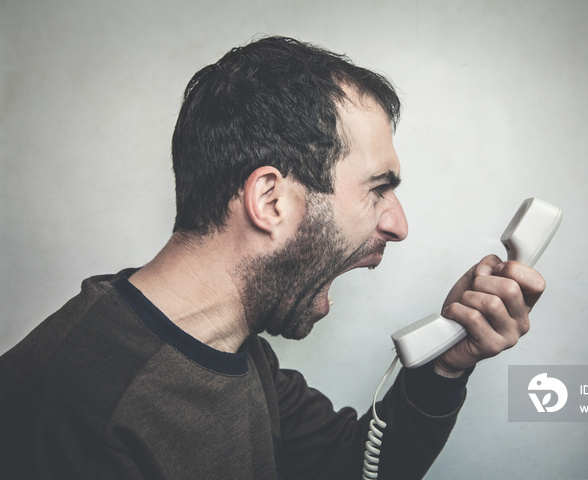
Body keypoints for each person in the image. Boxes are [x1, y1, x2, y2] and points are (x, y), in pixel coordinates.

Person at [0, 36, 545, 479]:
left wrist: (445, 365)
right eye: (378, 189)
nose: (398, 225)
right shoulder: (83, 416)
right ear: (270, 200)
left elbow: (358, 466)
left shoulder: (238, 352)